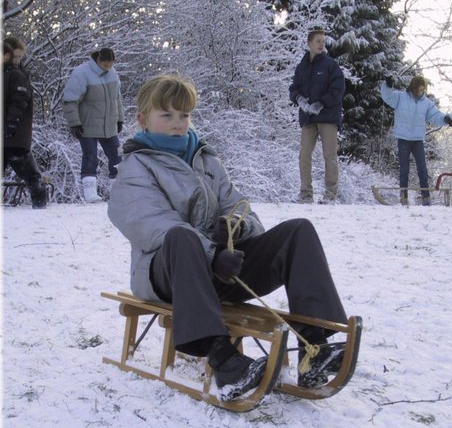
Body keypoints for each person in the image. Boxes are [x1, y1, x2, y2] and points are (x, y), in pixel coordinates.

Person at [108, 74, 350, 399]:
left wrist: (235, 225)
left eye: (184, 114)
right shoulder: (135, 168)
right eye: (166, 115)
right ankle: (224, 360)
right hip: (167, 275)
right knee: (180, 236)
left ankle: (315, 346)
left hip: (221, 270)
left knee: (298, 231)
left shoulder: (206, 160)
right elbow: (153, 225)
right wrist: (212, 256)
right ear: (142, 119)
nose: (177, 123)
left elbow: (241, 207)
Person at [289, 28, 345, 203]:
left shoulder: (331, 65)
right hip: (308, 118)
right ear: (309, 43)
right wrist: (300, 100)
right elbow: (293, 88)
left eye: (323, 41)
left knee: (330, 155)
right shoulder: (301, 67)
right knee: (304, 155)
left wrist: (321, 103)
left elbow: (338, 89)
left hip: (328, 117)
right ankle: (305, 193)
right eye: (318, 41)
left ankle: (330, 195)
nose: (321, 44)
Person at [63, 47, 124, 203]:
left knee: (117, 156)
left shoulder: (113, 73)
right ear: (98, 60)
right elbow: (70, 100)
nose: (108, 68)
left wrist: (120, 119)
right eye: (105, 65)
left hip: (109, 125)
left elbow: (117, 98)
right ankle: (90, 193)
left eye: (111, 65)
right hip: (87, 124)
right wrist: (74, 123)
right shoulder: (82, 73)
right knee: (90, 157)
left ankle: (118, 192)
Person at [380, 75, 452, 205]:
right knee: (404, 169)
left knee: (422, 169)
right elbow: (388, 96)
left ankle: (426, 199)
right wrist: (387, 85)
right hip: (403, 138)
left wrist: (445, 119)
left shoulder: (426, 103)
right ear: (412, 88)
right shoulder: (401, 97)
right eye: (418, 89)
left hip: (417, 140)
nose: (420, 92)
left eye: (422, 90)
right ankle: (403, 198)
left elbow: (435, 115)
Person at [3, 39, 47, 209]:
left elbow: (20, 100)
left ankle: (40, 202)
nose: (18, 60)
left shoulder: (17, 74)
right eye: (15, 56)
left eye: (20, 57)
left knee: (28, 171)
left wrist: (13, 121)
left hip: (15, 133)